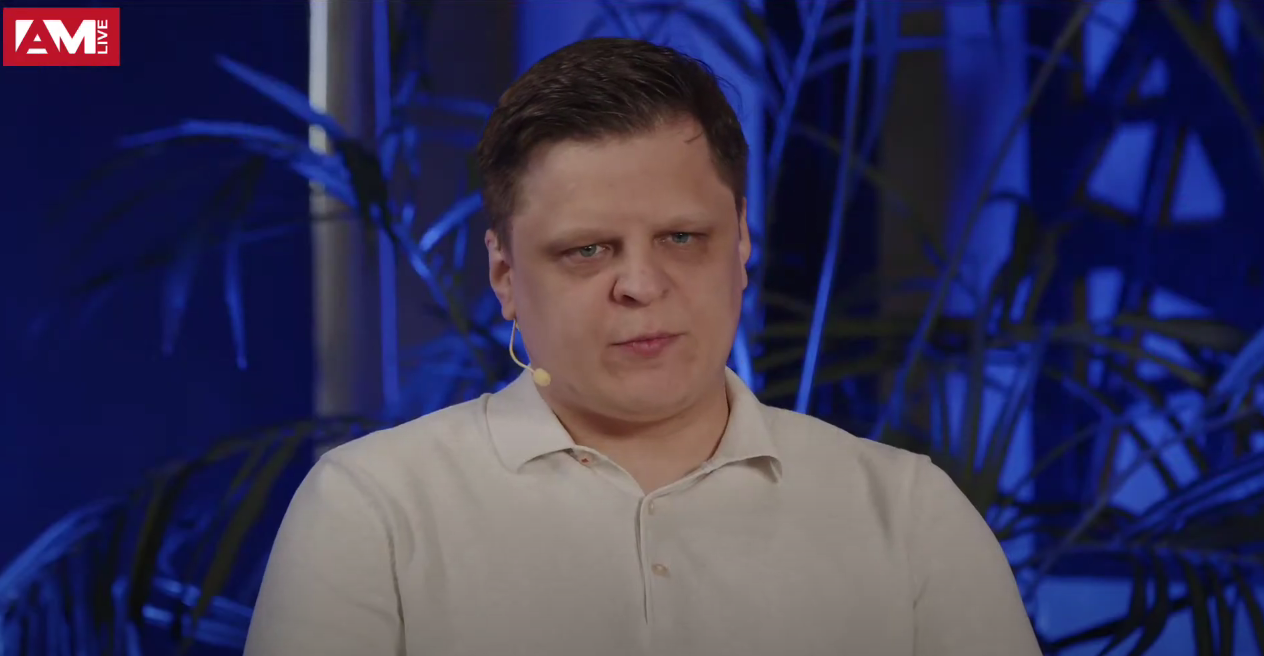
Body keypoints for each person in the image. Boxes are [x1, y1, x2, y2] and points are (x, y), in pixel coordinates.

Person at [243, 37, 1042, 656]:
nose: (640, 284)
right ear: (505, 275)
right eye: (587, 250)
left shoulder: (906, 513)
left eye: (682, 238)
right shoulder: (374, 509)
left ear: (741, 245)